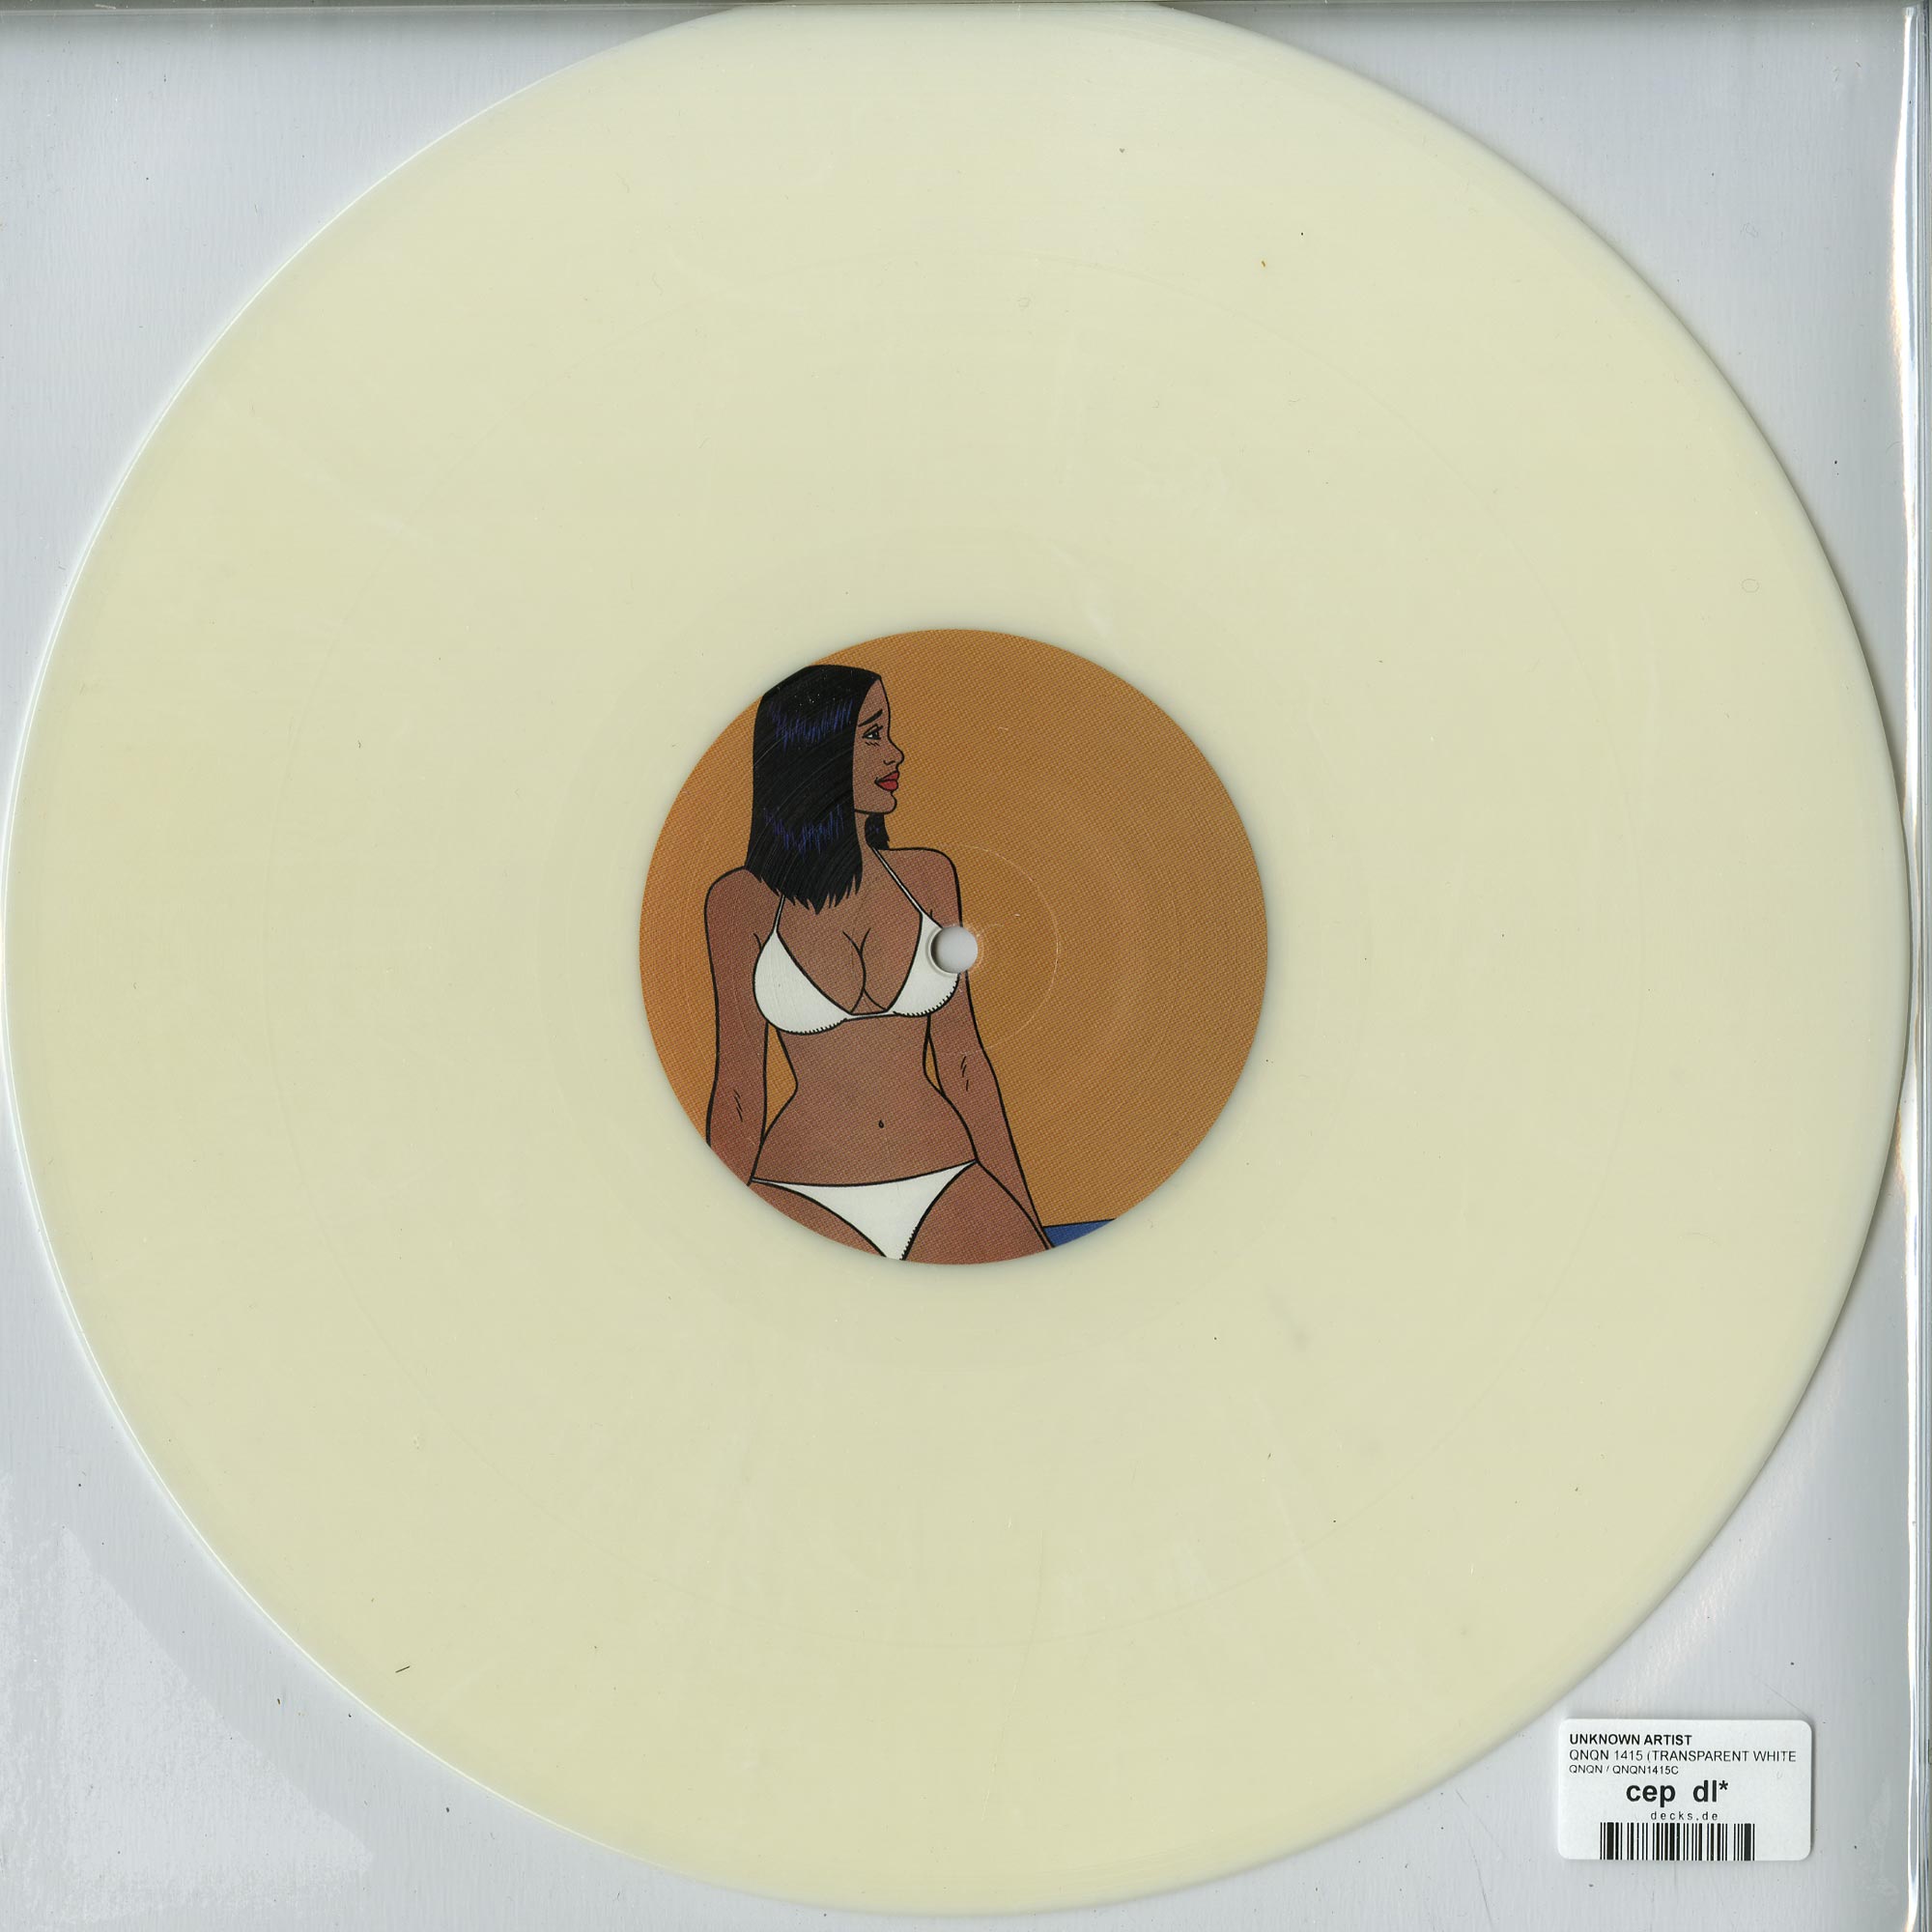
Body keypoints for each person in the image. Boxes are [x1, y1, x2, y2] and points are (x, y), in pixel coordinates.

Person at [702, 663, 1048, 1263]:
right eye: (871, 734)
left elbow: (964, 1063)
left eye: (887, 731)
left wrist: (1025, 1216)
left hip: (948, 1179)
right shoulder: (740, 901)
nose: (895, 753)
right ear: (815, 754)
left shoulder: (930, 877)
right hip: (798, 1192)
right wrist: (711, 1236)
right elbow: (737, 1088)